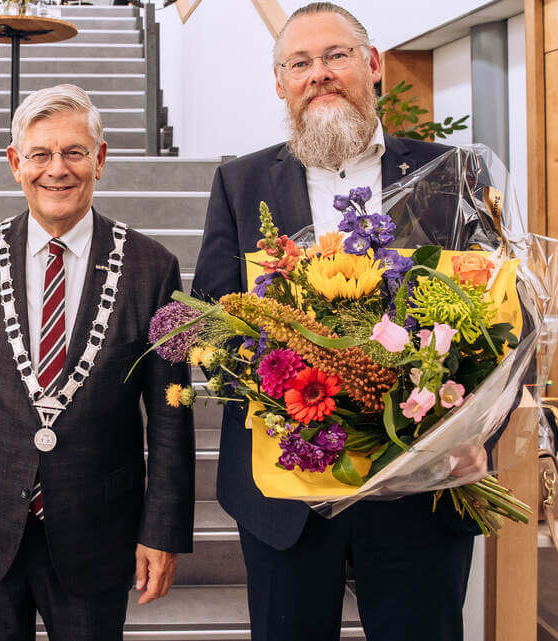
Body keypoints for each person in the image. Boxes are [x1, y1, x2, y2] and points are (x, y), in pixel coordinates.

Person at [192, 4, 489, 641]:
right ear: (280, 83)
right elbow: (213, 320)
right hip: (287, 495)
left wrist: (478, 431)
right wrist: (269, 376)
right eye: (299, 63)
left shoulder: (451, 174)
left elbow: (499, 318)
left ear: (372, 64)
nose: (318, 74)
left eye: (336, 56)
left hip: (421, 488)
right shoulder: (241, 183)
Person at [0, 84, 194, 641]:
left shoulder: (152, 268)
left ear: (101, 159)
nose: (56, 169)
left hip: (97, 527)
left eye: (74, 152)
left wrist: (162, 530)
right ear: (15, 163)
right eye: (39, 154)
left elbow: (170, 415)